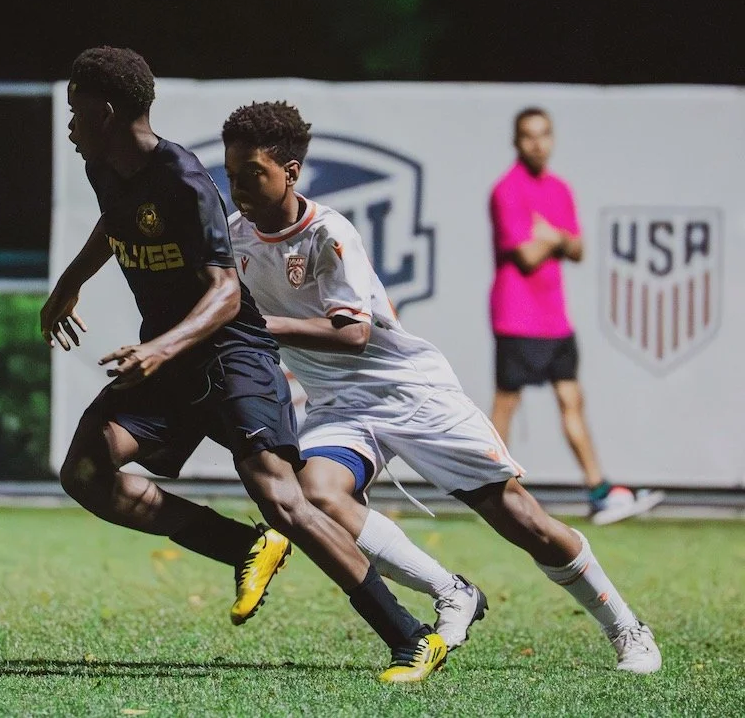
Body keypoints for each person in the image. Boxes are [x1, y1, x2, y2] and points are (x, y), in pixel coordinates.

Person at [43, 47, 445, 682]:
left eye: (76, 112)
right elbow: (113, 224)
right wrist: (69, 285)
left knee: (283, 500)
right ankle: (241, 547)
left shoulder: (181, 177)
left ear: (106, 112)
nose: (69, 125)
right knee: (87, 469)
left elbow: (227, 293)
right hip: (171, 358)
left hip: (232, 353)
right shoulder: (105, 166)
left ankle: (411, 635)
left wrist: (158, 348)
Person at [221, 100, 661, 674]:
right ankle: (452, 590)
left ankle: (627, 628)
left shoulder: (330, 234)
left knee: (522, 521)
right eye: (231, 174)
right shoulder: (235, 238)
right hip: (338, 405)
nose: (238, 187)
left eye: (252, 173)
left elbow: (353, 333)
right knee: (317, 496)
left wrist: (257, 325)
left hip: (410, 392)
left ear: (292, 170)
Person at [489, 108, 664, 524]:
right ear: (517, 142)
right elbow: (528, 256)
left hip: (555, 320)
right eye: (529, 136)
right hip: (516, 317)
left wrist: (552, 236)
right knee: (506, 405)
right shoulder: (506, 190)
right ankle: (492, 489)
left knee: (572, 400)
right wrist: (557, 240)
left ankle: (598, 491)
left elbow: (580, 249)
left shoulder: (560, 189)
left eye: (544, 135)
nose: (538, 143)